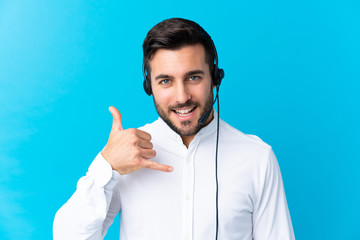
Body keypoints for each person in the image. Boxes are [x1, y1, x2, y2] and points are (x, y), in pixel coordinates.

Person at [53, 18, 295, 240]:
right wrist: (107, 167)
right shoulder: (125, 154)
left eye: (193, 78)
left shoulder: (257, 158)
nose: (182, 97)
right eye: (166, 81)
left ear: (214, 78)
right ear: (149, 85)